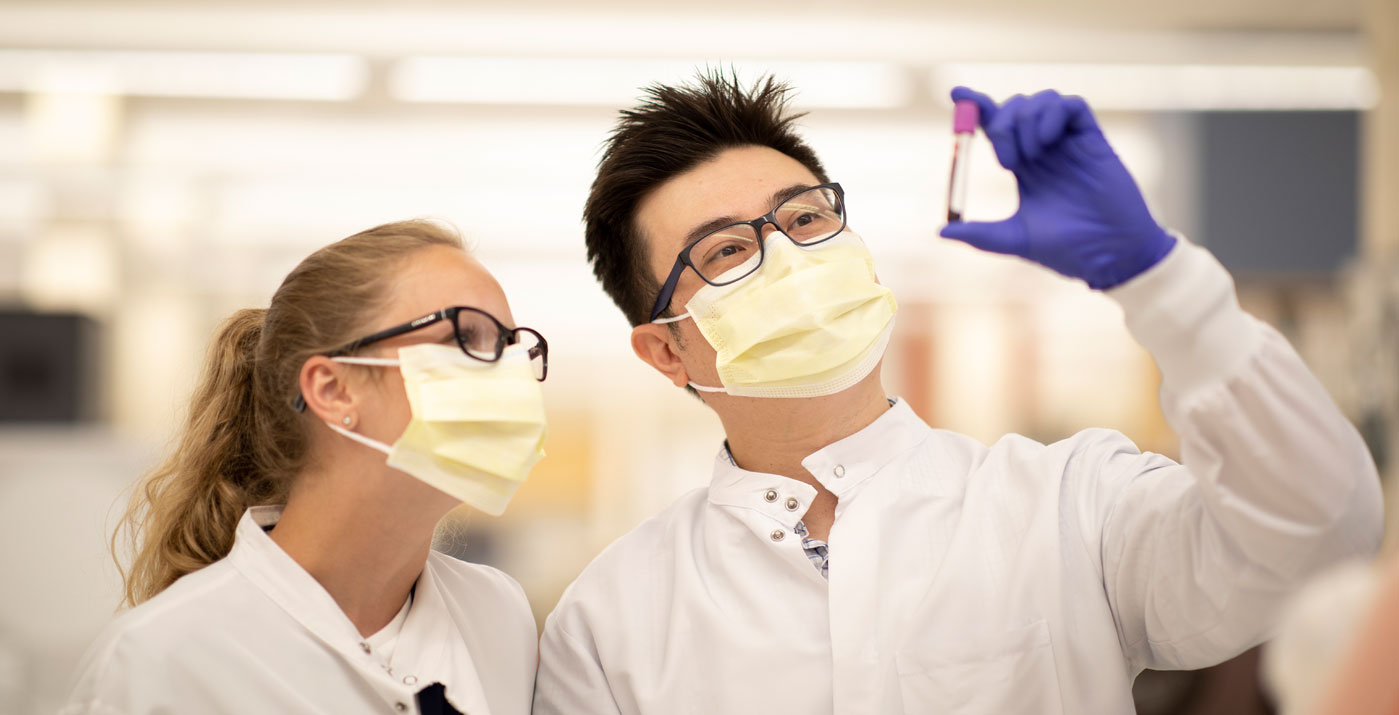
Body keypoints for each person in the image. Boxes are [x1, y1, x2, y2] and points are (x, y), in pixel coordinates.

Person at [532, 73, 1385, 714]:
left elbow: (1319, 532)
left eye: (803, 219)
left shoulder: (1068, 506)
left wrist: (1157, 279)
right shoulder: (612, 620)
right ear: (667, 350)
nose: (786, 260)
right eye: (724, 251)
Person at [62, 221, 548, 715]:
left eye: (512, 344)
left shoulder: (498, 616)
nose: (508, 371)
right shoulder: (161, 661)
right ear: (333, 390)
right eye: (465, 336)